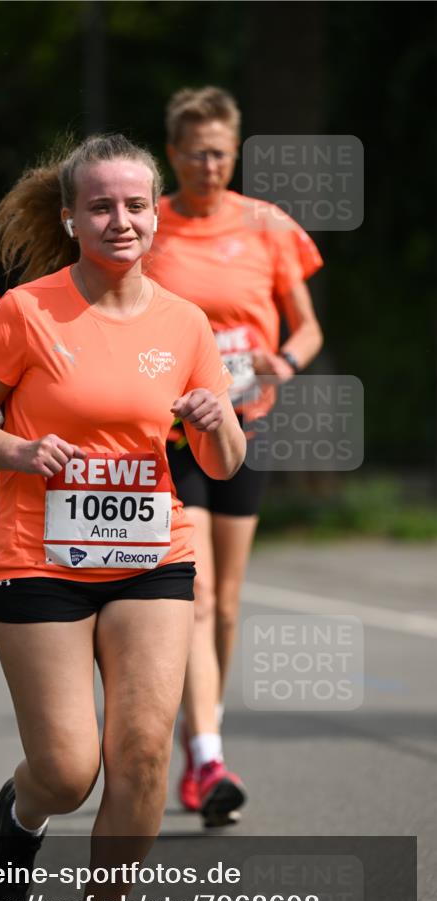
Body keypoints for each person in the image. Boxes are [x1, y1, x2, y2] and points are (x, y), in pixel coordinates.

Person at [0, 133, 246, 901]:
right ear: (71, 216)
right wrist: (16, 449)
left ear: (156, 215)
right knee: (69, 769)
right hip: (41, 557)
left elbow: (223, 463)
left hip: (151, 556)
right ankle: (21, 814)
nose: (122, 219)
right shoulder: (26, 310)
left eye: (136, 204)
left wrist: (209, 420)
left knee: (144, 752)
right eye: (102, 205)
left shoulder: (185, 323)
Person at [145, 86, 324, 826]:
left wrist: (283, 359)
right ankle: (206, 755)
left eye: (219, 151)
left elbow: (306, 327)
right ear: (172, 154)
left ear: (235, 150)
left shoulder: (266, 225)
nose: (207, 164)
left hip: (247, 424)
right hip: (174, 431)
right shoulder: (148, 225)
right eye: (194, 152)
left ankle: (200, 736)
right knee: (196, 591)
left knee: (225, 602)